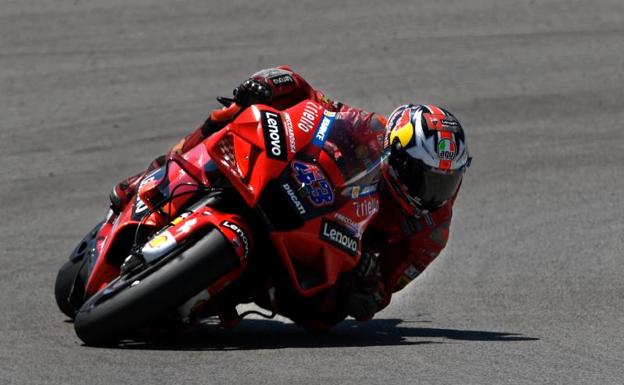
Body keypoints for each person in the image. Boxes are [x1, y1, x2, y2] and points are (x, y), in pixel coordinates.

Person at [108, 66, 470, 328]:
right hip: (306, 197)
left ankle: (216, 289)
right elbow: (317, 102)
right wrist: (270, 85)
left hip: (331, 255)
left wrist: (368, 278)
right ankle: (153, 172)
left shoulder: (431, 231)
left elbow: (377, 299)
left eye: (444, 182)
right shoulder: (370, 130)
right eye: (424, 178)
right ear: (397, 155)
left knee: (325, 316)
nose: (431, 193)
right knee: (235, 113)